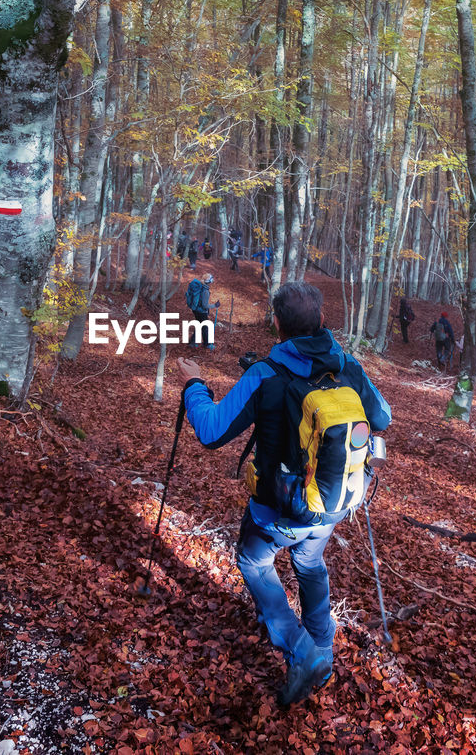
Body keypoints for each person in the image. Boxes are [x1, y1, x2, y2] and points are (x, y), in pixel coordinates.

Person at [177, 282, 390, 708]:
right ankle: (324, 654)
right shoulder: (347, 367)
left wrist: (194, 386)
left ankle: (303, 652)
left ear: (276, 324)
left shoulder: (265, 375)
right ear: (323, 322)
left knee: (254, 560)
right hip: (333, 502)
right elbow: (381, 416)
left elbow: (212, 430)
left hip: (282, 507)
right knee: (310, 563)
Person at [185, 273, 215, 349]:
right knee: (205, 327)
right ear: (210, 281)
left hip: (196, 310)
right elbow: (204, 305)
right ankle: (207, 344)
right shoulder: (205, 291)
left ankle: (192, 342)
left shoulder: (201, 287)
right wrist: (214, 306)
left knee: (199, 326)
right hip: (202, 312)